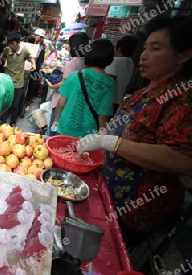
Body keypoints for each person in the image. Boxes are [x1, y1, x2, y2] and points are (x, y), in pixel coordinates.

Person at [77, 16, 192, 250]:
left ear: (184, 55)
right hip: (110, 193)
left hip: (136, 209)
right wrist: (101, 135)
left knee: (107, 255)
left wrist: (112, 142)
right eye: (146, 46)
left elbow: (184, 160)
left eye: (156, 48)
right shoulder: (145, 91)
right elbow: (126, 125)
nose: (144, 54)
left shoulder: (183, 99)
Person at [52, 39, 115, 138]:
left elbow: (61, 102)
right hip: (87, 136)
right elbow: (103, 115)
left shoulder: (74, 76)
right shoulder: (109, 83)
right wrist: (102, 137)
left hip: (64, 128)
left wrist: (56, 120)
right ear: (110, 59)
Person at [47, 32, 89, 136]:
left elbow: (64, 84)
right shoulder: (86, 62)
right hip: (74, 102)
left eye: (69, 44)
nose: (67, 47)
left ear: (74, 46)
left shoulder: (72, 64)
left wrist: (51, 85)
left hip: (62, 101)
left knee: (53, 130)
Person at [0, 32, 36, 127]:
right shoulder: (6, 49)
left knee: (15, 105)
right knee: (5, 103)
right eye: (9, 44)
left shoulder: (24, 51)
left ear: (18, 43)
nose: (11, 46)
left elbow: (31, 58)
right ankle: (2, 120)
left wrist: (34, 64)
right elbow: (2, 56)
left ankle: (12, 122)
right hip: (7, 81)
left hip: (18, 82)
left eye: (13, 44)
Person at [105, 35, 138, 114]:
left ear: (119, 48)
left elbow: (109, 82)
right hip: (120, 100)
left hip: (109, 101)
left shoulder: (114, 61)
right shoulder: (131, 62)